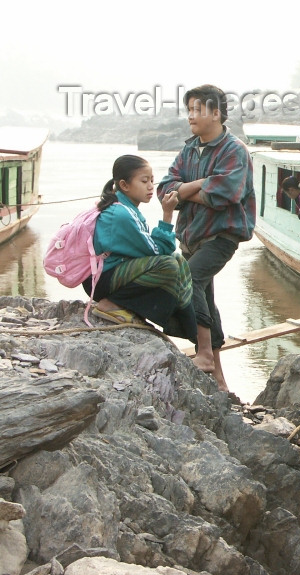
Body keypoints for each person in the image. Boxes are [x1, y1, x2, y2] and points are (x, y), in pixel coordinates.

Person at [157, 84, 256, 392]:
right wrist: (198, 186)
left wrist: (186, 190)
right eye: (189, 110)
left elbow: (226, 193)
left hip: (222, 235)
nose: (191, 116)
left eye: (198, 110)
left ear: (216, 113)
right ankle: (220, 381)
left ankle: (202, 354)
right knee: (207, 302)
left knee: (189, 278)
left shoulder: (234, 150)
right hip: (191, 235)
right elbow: (164, 189)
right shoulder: (188, 150)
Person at [86, 155, 197, 341]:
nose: (150, 186)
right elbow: (157, 251)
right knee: (168, 264)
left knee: (179, 261)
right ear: (124, 185)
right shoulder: (121, 214)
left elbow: (152, 250)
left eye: (152, 180)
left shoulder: (124, 208)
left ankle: (184, 326)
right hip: (101, 279)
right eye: (144, 181)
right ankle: (111, 304)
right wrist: (167, 214)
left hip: (108, 273)